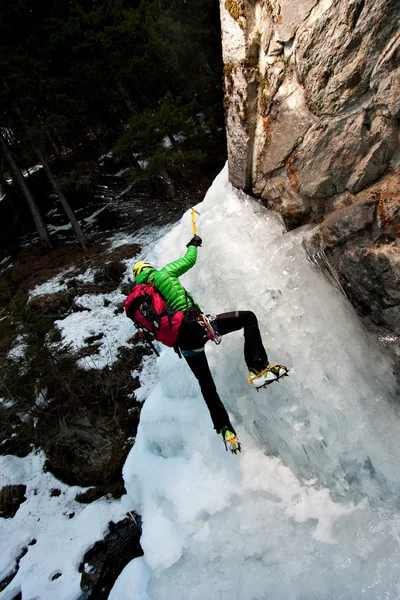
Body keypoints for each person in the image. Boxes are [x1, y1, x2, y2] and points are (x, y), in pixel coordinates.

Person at [130, 235, 288, 453]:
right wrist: (193, 244)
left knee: (206, 383)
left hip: (182, 344)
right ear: (149, 269)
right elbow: (189, 260)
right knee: (248, 318)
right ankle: (258, 368)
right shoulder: (163, 274)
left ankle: (225, 429)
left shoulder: (139, 302)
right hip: (196, 325)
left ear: (137, 278)